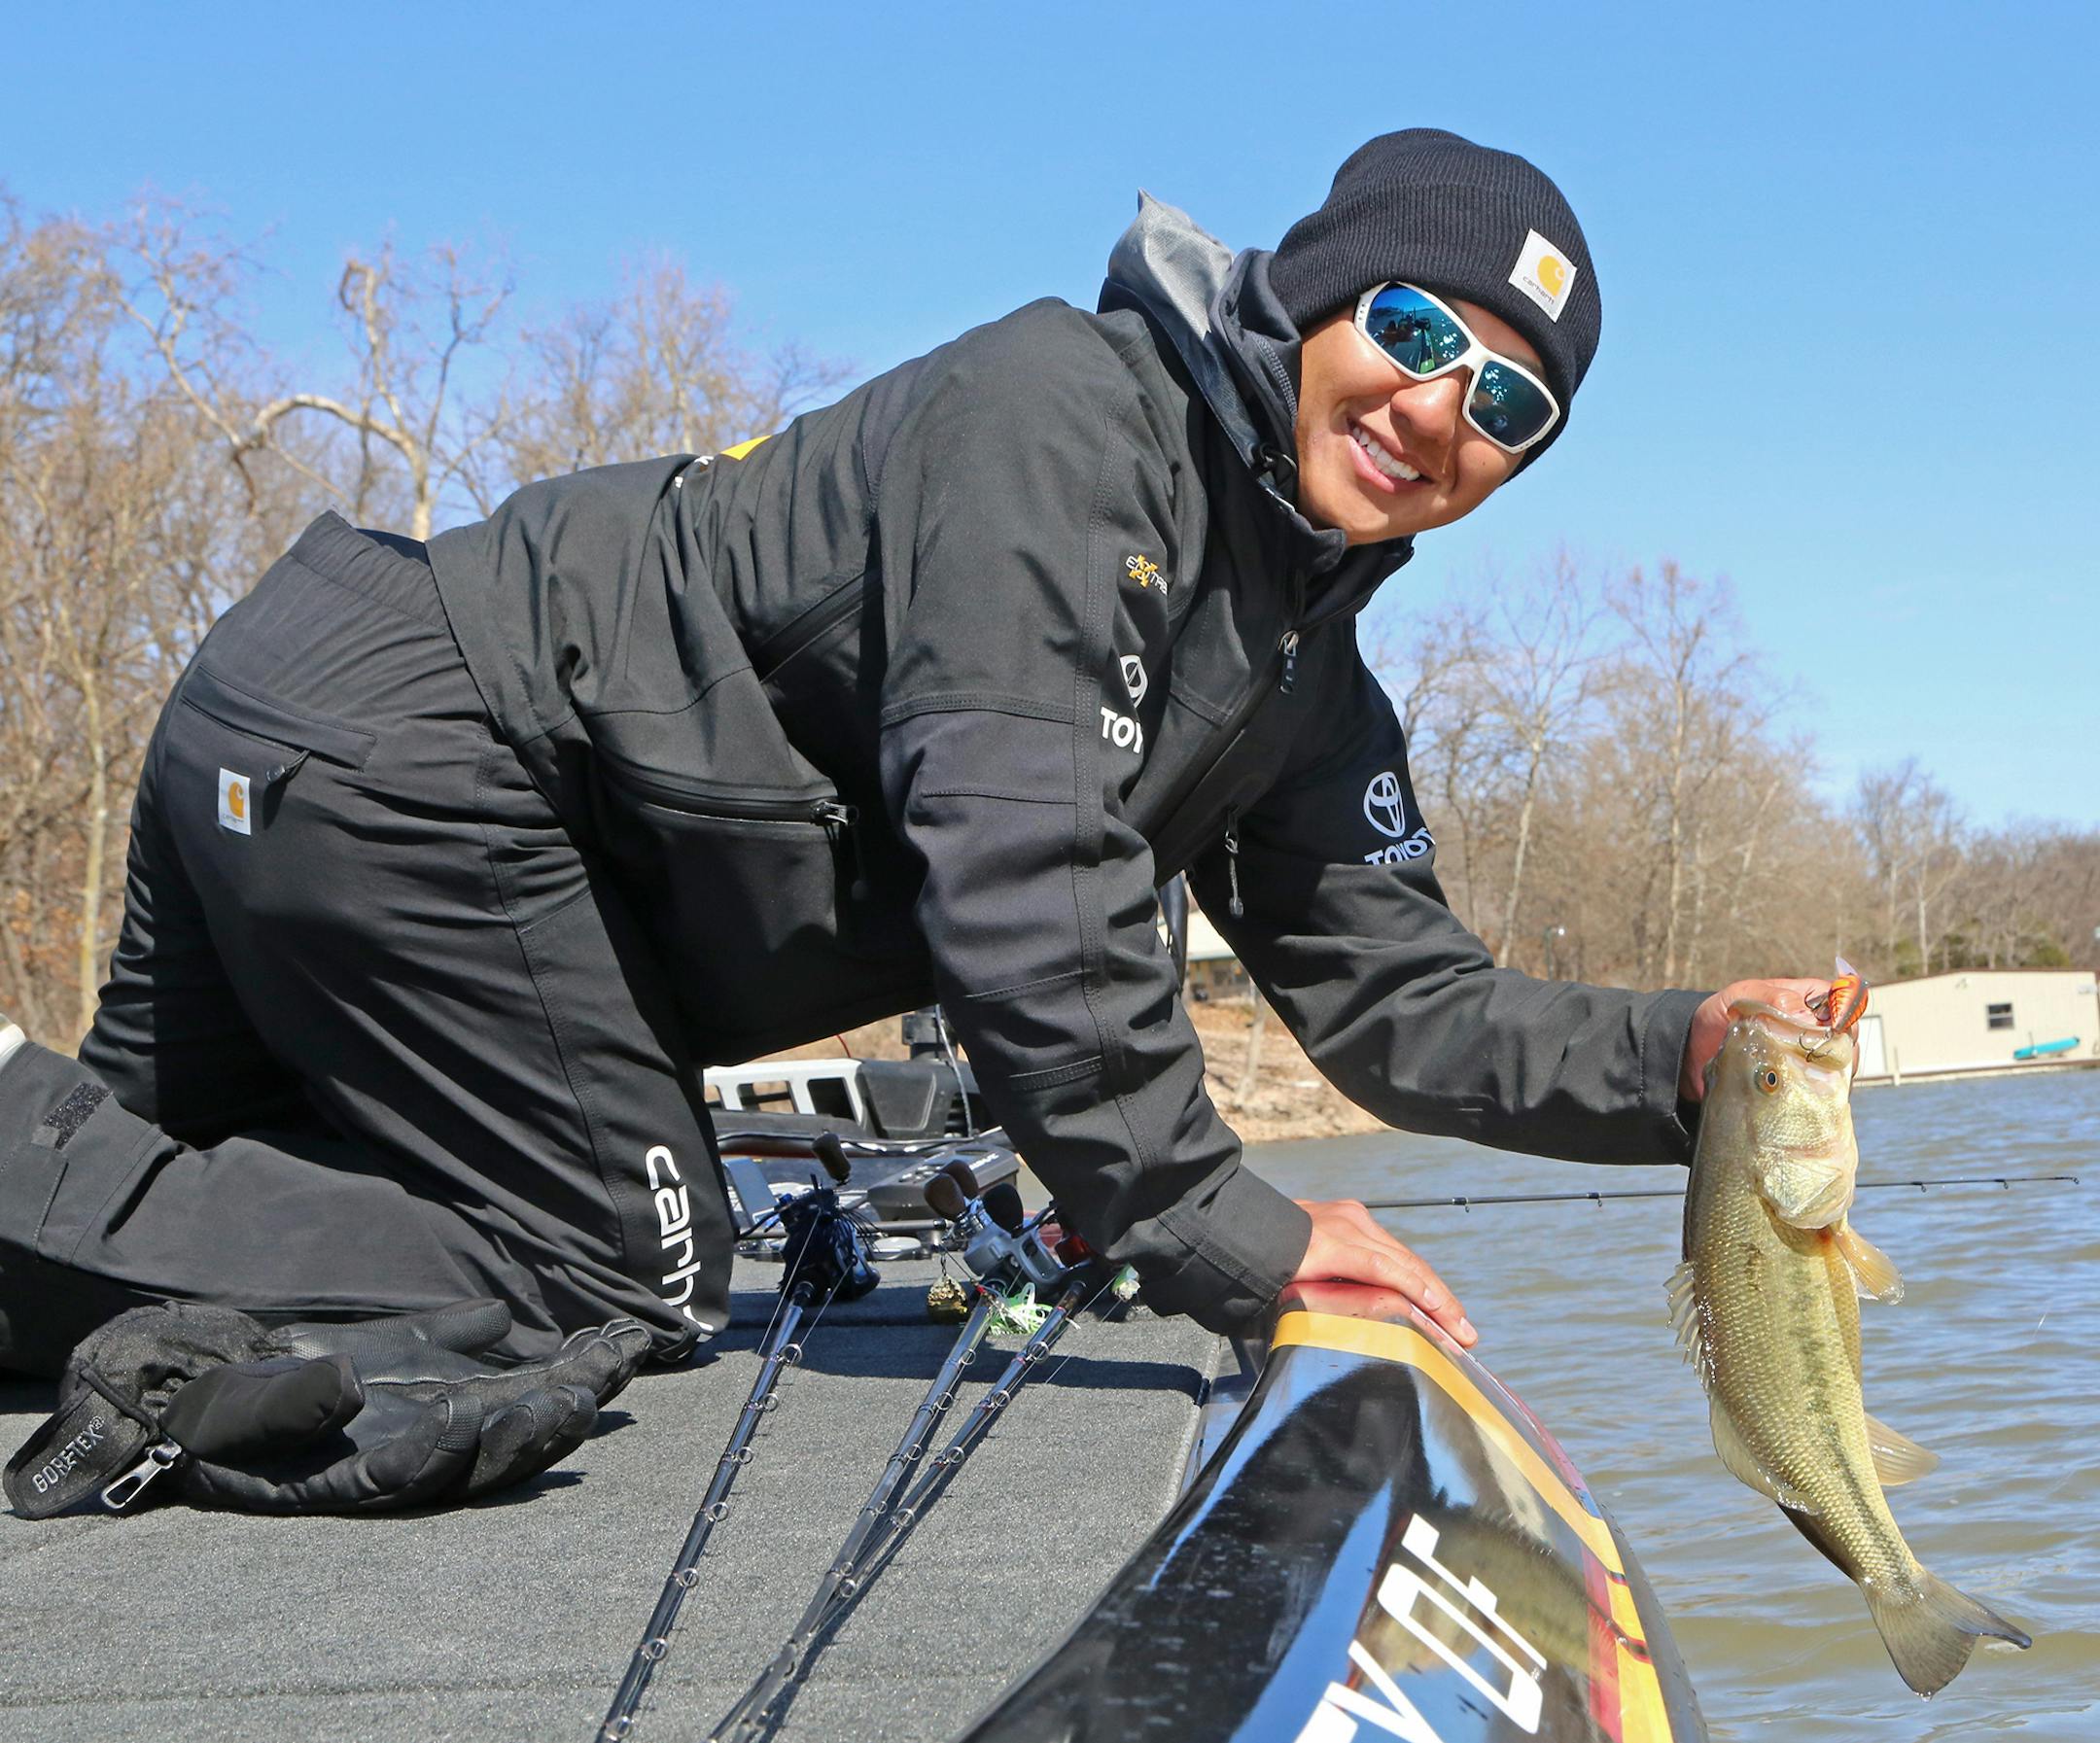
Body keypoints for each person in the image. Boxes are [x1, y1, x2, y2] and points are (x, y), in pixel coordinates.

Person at [1, 131, 1824, 1504]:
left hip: (301, 732)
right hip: (422, 750)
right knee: (619, 1270)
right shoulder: (1070, 425)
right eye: (1417, 331)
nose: (1438, 408)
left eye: (1509, 402)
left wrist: (1695, 1059)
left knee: (104, 1235)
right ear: (1314, 292)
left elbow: (1402, 1001)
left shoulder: (1301, 679)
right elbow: (1029, 860)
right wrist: (1224, 1234)